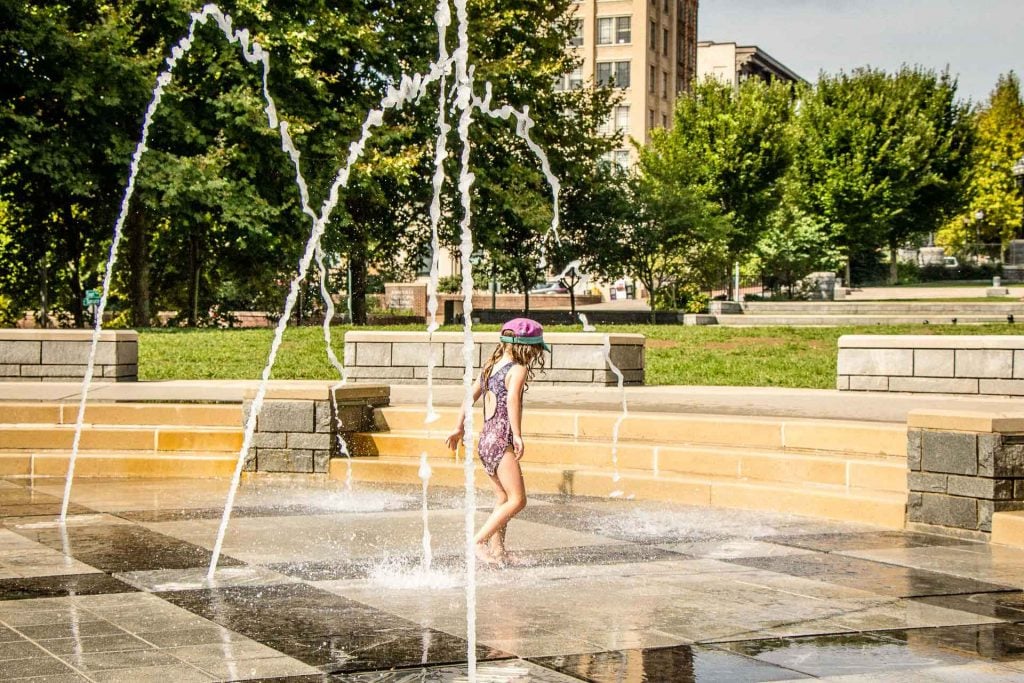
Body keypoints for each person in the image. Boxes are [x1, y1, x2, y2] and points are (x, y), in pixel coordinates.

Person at [444, 317, 550, 566]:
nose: (535, 355)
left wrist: (458, 427)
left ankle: (498, 552)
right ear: (528, 347)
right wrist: (518, 434)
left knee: (503, 498)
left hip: (485, 440)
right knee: (518, 500)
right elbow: (513, 400)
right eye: (535, 350)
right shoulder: (518, 369)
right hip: (501, 439)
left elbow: (468, 398)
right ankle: (478, 541)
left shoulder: (490, 367)